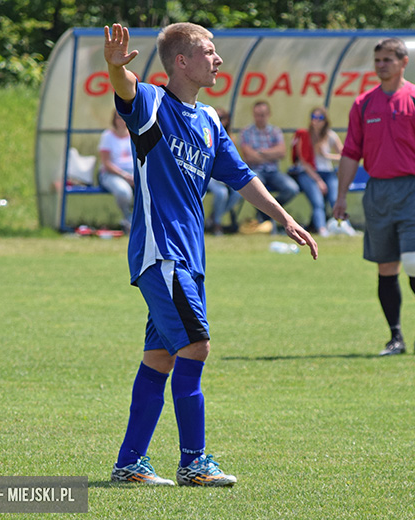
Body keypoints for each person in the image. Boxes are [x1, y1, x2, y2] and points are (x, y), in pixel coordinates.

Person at [104, 22, 318, 488]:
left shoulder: (208, 122)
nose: (217, 59)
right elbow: (126, 88)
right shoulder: (153, 105)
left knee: (160, 357)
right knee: (195, 346)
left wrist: (286, 218)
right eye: (208, 51)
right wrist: (115, 68)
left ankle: (130, 464)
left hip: (190, 259)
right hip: (162, 254)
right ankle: (194, 461)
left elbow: (242, 178)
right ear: (181, 61)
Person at [333, 38, 415, 356]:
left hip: (413, 188)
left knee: (414, 262)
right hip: (378, 191)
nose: (381, 65)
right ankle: (396, 336)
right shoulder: (363, 104)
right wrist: (341, 196)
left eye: (387, 59)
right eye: (377, 60)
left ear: (404, 62)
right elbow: (350, 153)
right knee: (386, 267)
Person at [239, 100, 300, 229]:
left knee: (292, 189)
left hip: (273, 171)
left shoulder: (275, 131)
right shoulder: (246, 132)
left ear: (268, 114)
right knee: (257, 190)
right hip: (256, 171)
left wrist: (259, 153)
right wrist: (270, 153)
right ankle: (270, 214)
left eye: (262, 114)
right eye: (257, 115)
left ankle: (266, 214)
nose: (260, 118)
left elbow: (282, 152)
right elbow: (248, 156)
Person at [290, 107, 343, 236]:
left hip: (327, 173)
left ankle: (342, 226)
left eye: (320, 118)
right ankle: (322, 229)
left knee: (335, 199)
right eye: (314, 117)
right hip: (309, 174)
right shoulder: (304, 136)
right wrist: (318, 181)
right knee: (317, 201)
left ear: (325, 121)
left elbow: (344, 156)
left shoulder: (330, 135)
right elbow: (304, 162)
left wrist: (326, 155)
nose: (316, 121)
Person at [205, 108, 242, 235]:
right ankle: (217, 224)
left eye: (222, 118)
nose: (219, 121)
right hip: (207, 175)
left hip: (221, 175)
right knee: (221, 192)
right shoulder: (204, 132)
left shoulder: (230, 138)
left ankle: (214, 217)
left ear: (227, 121)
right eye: (217, 117)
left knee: (238, 192)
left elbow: (231, 163)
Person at [98, 110, 135, 233]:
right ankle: (128, 220)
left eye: (124, 118)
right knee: (123, 192)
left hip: (133, 173)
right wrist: (125, 176)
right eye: (119, 118)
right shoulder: (107, 136)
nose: (122, 121)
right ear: (114, 120)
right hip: (112, 174)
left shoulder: (135, 134)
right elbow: (106, 163)